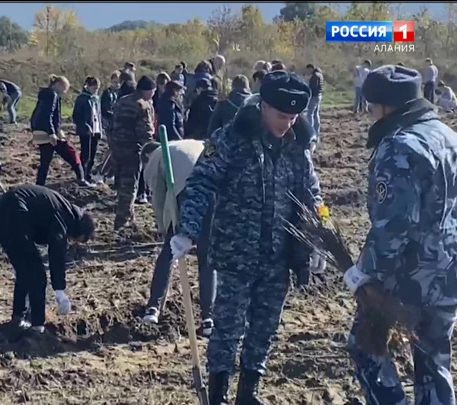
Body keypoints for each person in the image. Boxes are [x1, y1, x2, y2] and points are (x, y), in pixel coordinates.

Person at [171, 70, 325, 405]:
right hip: (237, 251)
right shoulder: (231, 138)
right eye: (282, 115)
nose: (288, 122)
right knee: (227, 327)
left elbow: (313, 194)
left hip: (279, 253)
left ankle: (248, 392)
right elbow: (201, 183)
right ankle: (217, 394)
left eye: (294, 116)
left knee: (265, 327)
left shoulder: (298, 145)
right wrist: (187, 230)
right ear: (264, 106)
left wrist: (320, 235)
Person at [345, 65, 457, 405]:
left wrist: (365, 272)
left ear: (386, 107)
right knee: (433, 356)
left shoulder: (399, 147)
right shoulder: (454, 139)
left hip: (408, 278)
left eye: (372, 106)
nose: (369, 113)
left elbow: (394, 225)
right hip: (451, 275)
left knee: (366, 346)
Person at [0, 184, 95, 333]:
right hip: (15, 212)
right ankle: (37, 326)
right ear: (79, 230)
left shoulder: (64, 210)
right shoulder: (64, 216)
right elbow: (56, 254)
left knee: (25, 270)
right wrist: (59, 291)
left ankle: (18, 318)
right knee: (37, 274)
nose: (71, 241)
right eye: (75, 239)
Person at [140, 140, 216, 337]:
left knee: (169, 250)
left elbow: (158, 200)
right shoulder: (191, 144)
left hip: (189, 192)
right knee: (207, 256)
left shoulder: (153, 160)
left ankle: (153, 308)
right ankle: (209, 318)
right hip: (214, 191)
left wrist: (167, 230)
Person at [109, 75, 156, 230]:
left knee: (122, 183)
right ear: (147, 91)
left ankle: (131, 218)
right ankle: (121, 223)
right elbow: (145, 133)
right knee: (129, 187)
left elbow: (111, 124)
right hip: (132, 150)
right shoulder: (143, 105)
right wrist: (151, 152)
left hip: (116, 147)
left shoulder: (121, 101)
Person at [31, 75, 92, 187]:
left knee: (45, 160)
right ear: (58, 85)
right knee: (72, 154)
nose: (64, 92)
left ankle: (39, 185)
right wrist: (52, 133)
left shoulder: (44, 95)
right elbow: (48, 115)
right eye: (64, 88)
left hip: (39, 131)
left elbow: (39, 115)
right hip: (49, 132)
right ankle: (81, 179)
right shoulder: (52, 95)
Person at [73, 76, 103, 184]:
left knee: (93, 154)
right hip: (86, 131)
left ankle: (89, 174)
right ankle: (82, 175)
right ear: (88, 86)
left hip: (96, 130)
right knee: (86, 154)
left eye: (98, 88)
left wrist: (100, 129)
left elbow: (98, 114)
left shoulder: (96, 98)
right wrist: (85, 126)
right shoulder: (82, 98)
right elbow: (76, 116)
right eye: (94, 88)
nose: (96, 90)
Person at [306, 64, 324, 139]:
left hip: (314, 96)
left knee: (310, 113)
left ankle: (311, 131)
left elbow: (313, 87)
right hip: (319, 95)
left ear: (311, 68)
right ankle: (317, 131)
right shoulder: (320, 75)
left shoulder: (314, 76)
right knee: (316, 114)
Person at [100, 71, 121, 137]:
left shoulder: (120, 92)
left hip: (117, 117)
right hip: (108, 117)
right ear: (111, 81)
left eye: (119, 82)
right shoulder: (107, 92)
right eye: (115, 82)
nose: (117, 84)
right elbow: (104, 107)